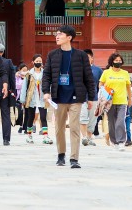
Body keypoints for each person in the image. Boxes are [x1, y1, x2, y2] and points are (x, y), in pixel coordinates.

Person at [41, 25, 96, 169]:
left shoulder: (80, 55)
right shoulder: (52, 55)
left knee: (74, 127)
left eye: (60, 34)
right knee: (59, 128)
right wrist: (46, 91)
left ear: (69, 37)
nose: (57, 36)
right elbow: (46, 75)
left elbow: (88, 77)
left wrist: (91, 97)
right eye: (57, 34)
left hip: (76, 96)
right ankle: (61, 154)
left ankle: (74, 158)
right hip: (58, 97)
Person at [99, 53, 132, 151]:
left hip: (122, 101)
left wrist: (130, 99)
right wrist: (105, 91)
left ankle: (121, 141)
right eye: (116, 60)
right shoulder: (106, 73)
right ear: (112, 61)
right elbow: (100, 84)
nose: (118, 62)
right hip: (109, 101)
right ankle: (114, 142)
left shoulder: (125, 73)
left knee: (120, 121)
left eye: (120, 60)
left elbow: (128, 87)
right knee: (111, 122)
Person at [20, 54, 52, 144]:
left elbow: (49, 85)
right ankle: (29, 135)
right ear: (33, 62)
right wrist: (22, 99)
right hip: (31, 98)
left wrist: (49, 95)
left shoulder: (45, 73)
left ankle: (45, 136)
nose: (38, 63)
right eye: (37, 61)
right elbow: (24, 87)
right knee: (31, 118)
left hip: (42, 98)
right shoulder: (29, 74)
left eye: (40, 61)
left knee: (43, 117)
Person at [0, 43, 14, 146]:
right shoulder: (8, 62)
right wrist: (12, 90)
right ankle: (6, 139)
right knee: (6, 115)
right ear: (3, 52)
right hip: (5, 91)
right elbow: (12, 78)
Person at [80, 49, 103, 147]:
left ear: (92, 58)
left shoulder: (98, 70)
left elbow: (101, 85)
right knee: (83, 117)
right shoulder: (78, 69)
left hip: (94, 98)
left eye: (88, 57)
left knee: (93, 120)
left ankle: (89, 138)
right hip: (81, 98)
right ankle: (84, 137)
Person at [14, 63, 28, 132]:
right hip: (19, 97)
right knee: (20, 112)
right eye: (23, 70)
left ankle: (25, 127)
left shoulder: (28, 77)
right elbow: (17, 86)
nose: (25, 72)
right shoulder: (17, 77)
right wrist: (23, 84)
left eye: (26, 70)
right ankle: (21, 125)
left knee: (27, 112)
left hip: (27, 97)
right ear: (20, 70)